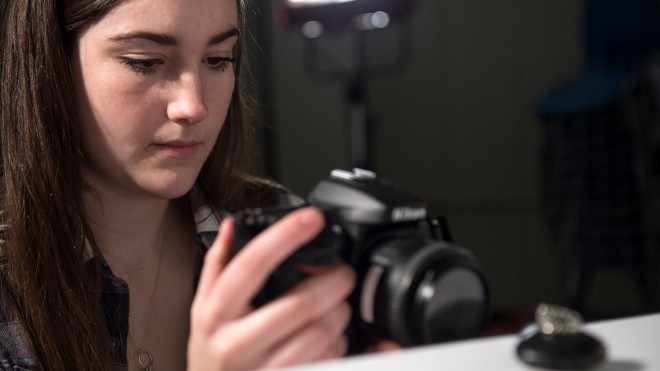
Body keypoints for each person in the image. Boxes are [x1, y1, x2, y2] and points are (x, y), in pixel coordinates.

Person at [0, 0, 393, 369]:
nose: (194, 105)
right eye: (145, 62)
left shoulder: (282, 234)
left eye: (218, 59)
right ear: (52, 62)